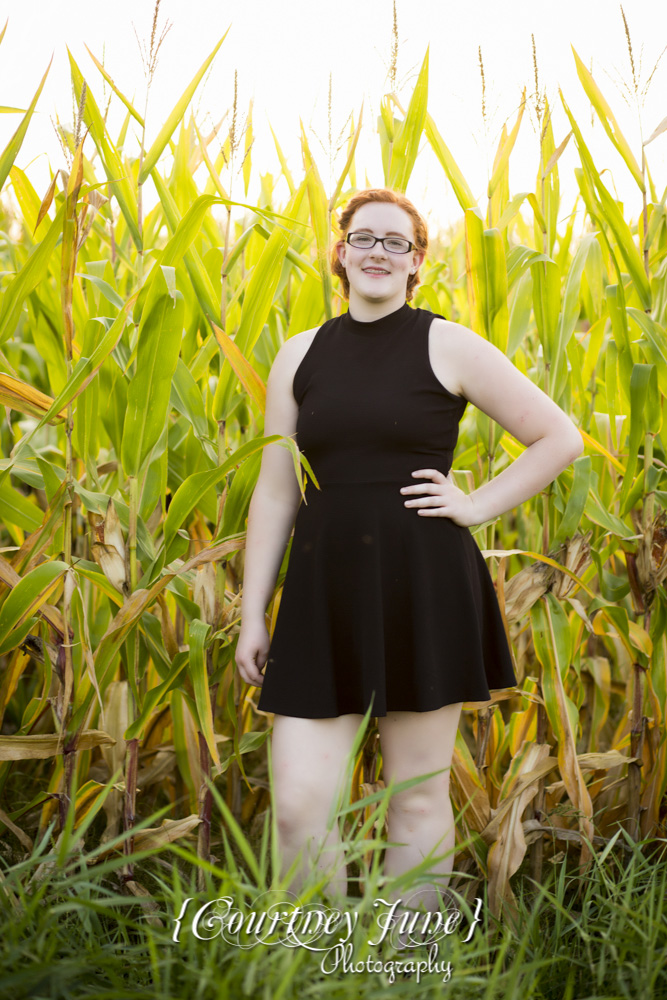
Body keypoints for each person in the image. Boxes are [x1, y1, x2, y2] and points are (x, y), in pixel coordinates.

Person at [235, 188, 584, 922]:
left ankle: (407, 972)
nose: (376, 252)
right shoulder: (300, 355)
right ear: (340, 252)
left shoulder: (445, 343)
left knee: (415, 796)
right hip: (321, 594)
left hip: (422, 584)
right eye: (363, 238)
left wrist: (476, 504)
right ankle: (317, 971)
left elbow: (558, 437)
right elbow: (274, 493)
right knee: (298, 808)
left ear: (417, 262)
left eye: (396, 242)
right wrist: (250, 614)